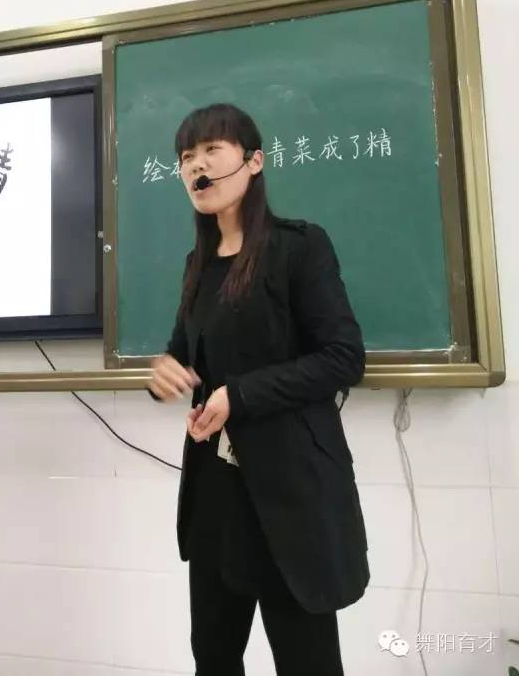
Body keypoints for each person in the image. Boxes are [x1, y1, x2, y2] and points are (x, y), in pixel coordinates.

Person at [147, 103, 370, 676]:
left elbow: (343, 358)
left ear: (254, 161)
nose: (196, 167)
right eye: (186, 158)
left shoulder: (299, 247)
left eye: (211, 151)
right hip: (216, 499)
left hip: (291, 496)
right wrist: (167, 373)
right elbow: (184, 355)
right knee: (214, 657)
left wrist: (237, 397)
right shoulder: (197, 264)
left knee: (306, 662)